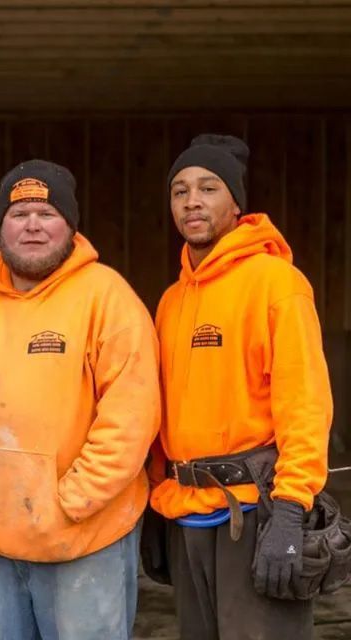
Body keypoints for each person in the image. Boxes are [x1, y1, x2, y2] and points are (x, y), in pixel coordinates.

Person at [0, 159, 160, 640]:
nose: (32, 225)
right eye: (20, 213)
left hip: (82, 536)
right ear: (0, 228)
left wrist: (68, 502)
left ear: (71, 226)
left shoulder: (107, 297)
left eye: (47, 213)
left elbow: (130, 418)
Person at [149, 133, 333, 639]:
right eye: (179, 190)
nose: (192, 201)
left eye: (208, 188)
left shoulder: (276, 283)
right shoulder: (171, 301)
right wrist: (153, 498)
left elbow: (305, 404)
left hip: (256, 515)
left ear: (236, 202)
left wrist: (293, 511)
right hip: (188, 515)